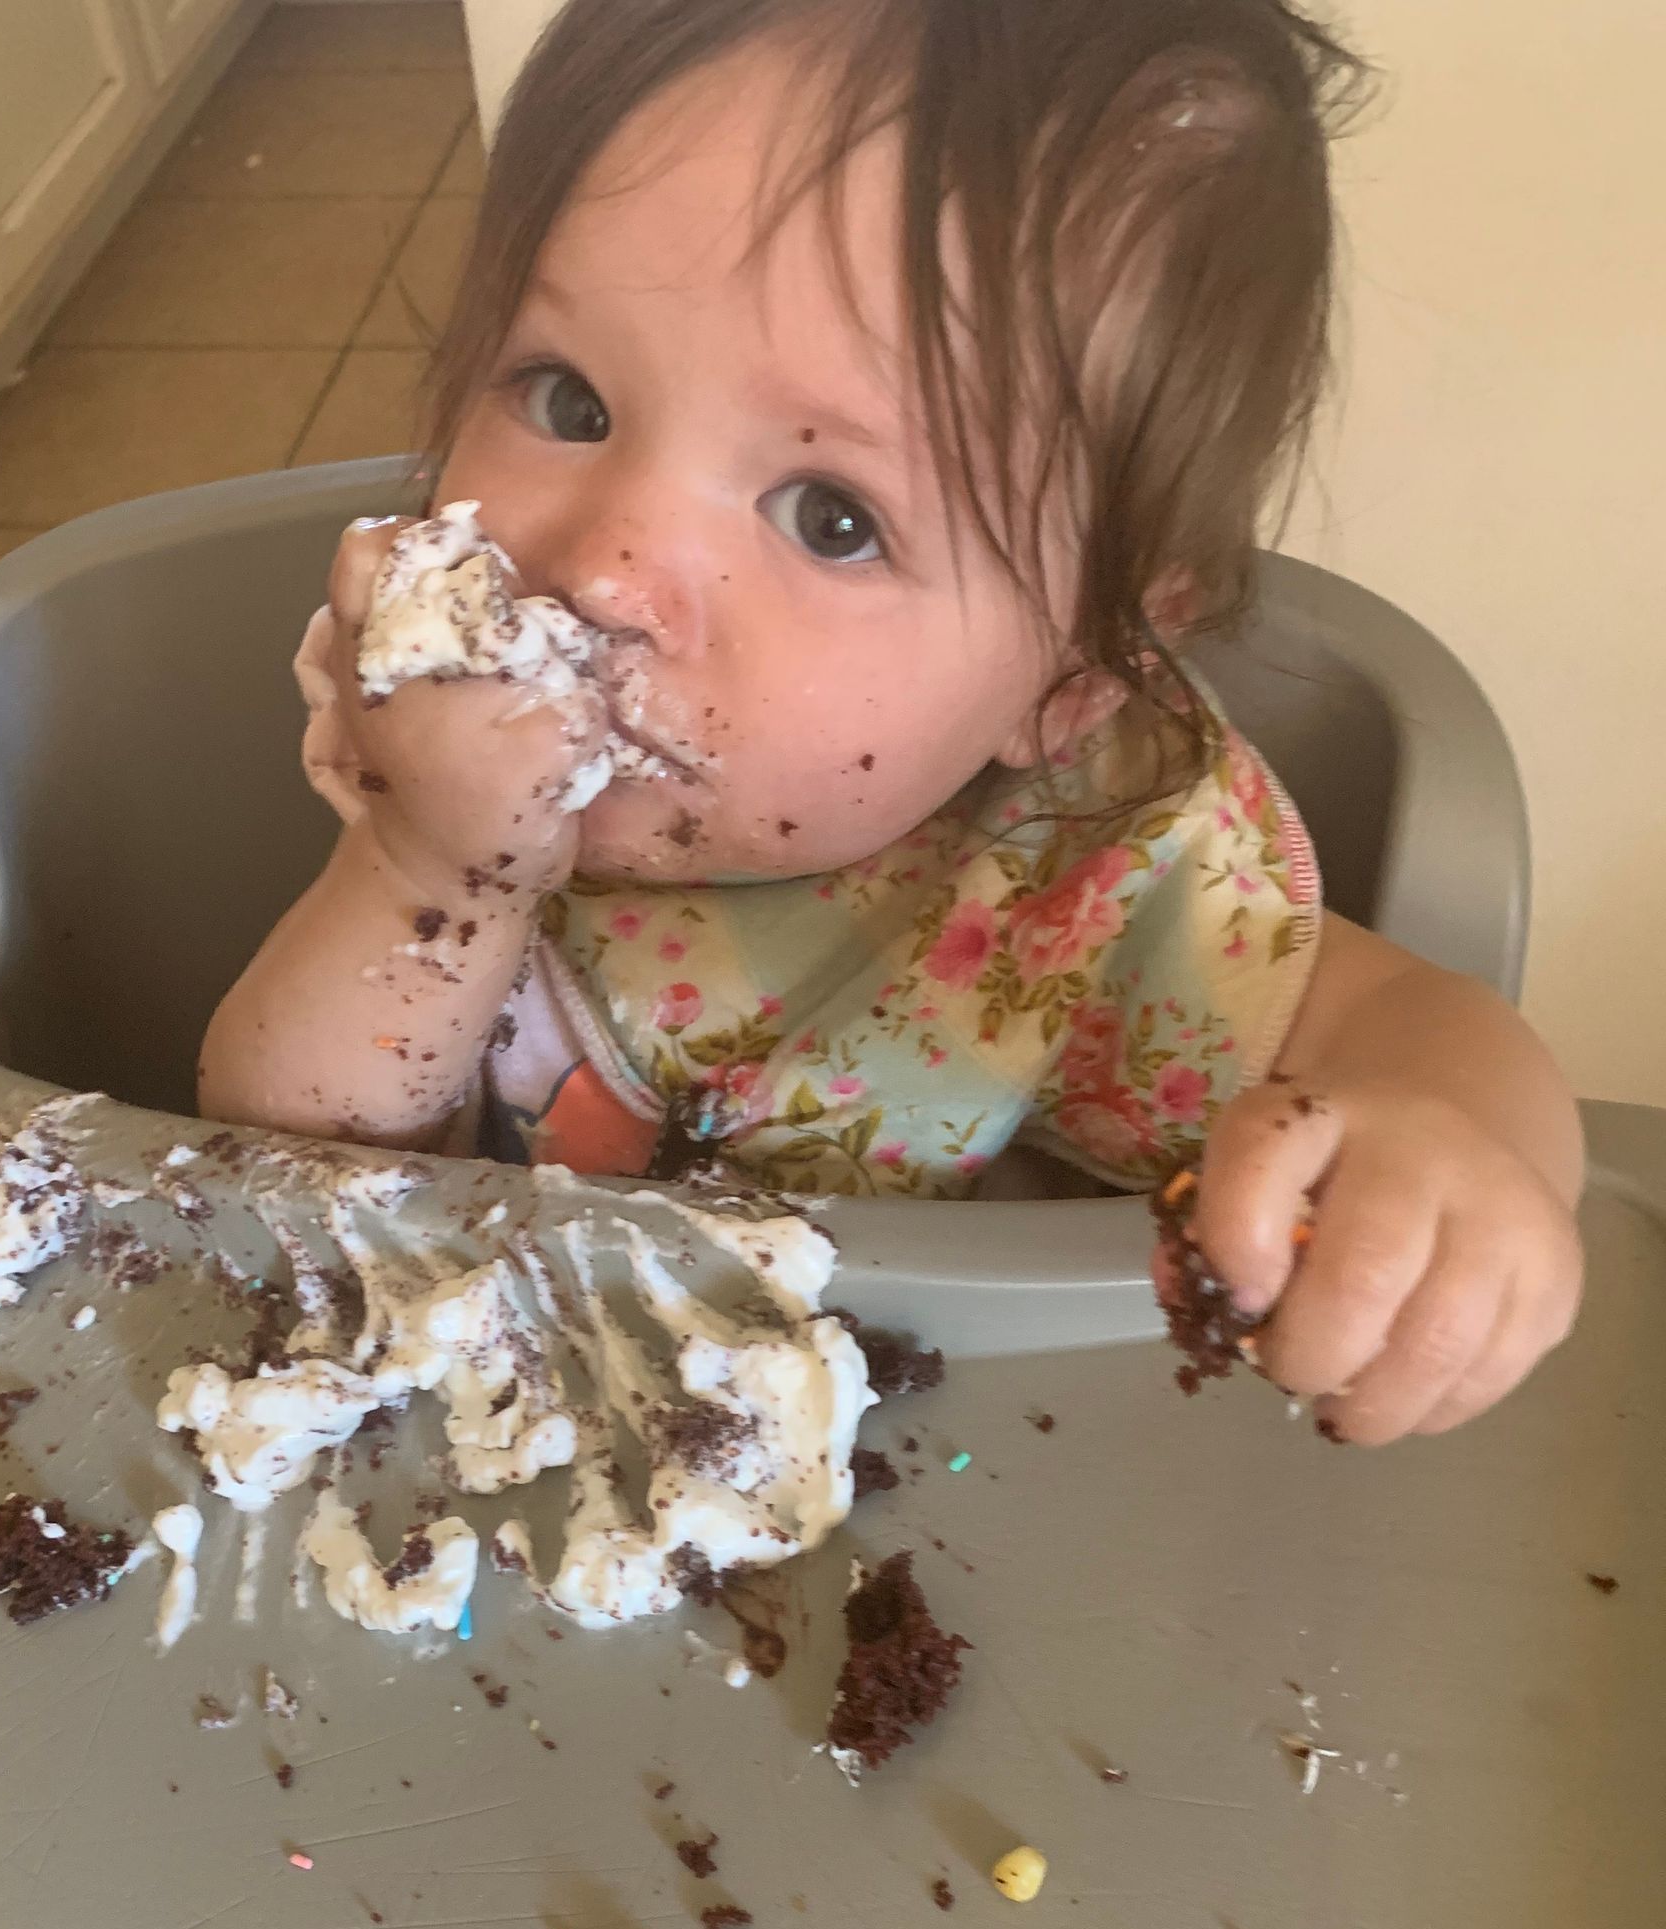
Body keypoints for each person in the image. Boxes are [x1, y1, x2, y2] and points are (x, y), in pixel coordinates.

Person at [200, 0, 1582, 1446]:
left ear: (1075, 673)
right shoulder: (444, 752)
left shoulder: (1079, 877)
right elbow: (273, 1168)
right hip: (484, 1421)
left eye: (831, 516)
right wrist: (429, 872)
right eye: (569, 396)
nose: (605, 574)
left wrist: (1460, 1161)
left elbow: (1416, 1024)